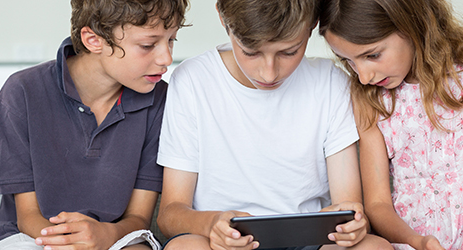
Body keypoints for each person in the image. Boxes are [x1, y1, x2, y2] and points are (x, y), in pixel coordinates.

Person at [155, 0, 393, 250]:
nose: (269, 74)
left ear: (313, 24)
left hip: (311, 243)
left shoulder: (330, 83)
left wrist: (353, 226)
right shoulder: (193, 80)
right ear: (224, 20)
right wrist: (210, 223)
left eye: (289, 52)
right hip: (221, 245)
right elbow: (170, 214)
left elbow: (348, 206)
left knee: (374, 247)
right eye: (251, 52)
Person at [318, 0, 463, 249]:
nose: (364, 76)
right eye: (348, 61)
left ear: (410, 23)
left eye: (372, 55)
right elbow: (378, 205)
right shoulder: (370, 97)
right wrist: (417, 241)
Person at [0, 0, 188, 249]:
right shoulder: (22, 92)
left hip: (117, 238)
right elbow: (27, 216)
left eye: (171, 40)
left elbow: (138, 218)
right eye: (147, 45)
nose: (167, 58)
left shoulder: (160, 100)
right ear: (93, 40)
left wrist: (104, 235)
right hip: (33, 237)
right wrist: (71, 242)